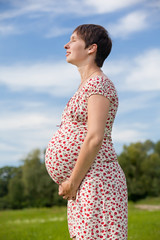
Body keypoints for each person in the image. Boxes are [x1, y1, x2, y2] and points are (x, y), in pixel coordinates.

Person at [45, 24, 128, 240]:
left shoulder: (99, 84)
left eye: (73, 39)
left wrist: (72, 182)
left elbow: (94, 138)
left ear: (91, 48)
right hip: (85, 182)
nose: (66, 44)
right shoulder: (86, 86)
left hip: (98, 180)